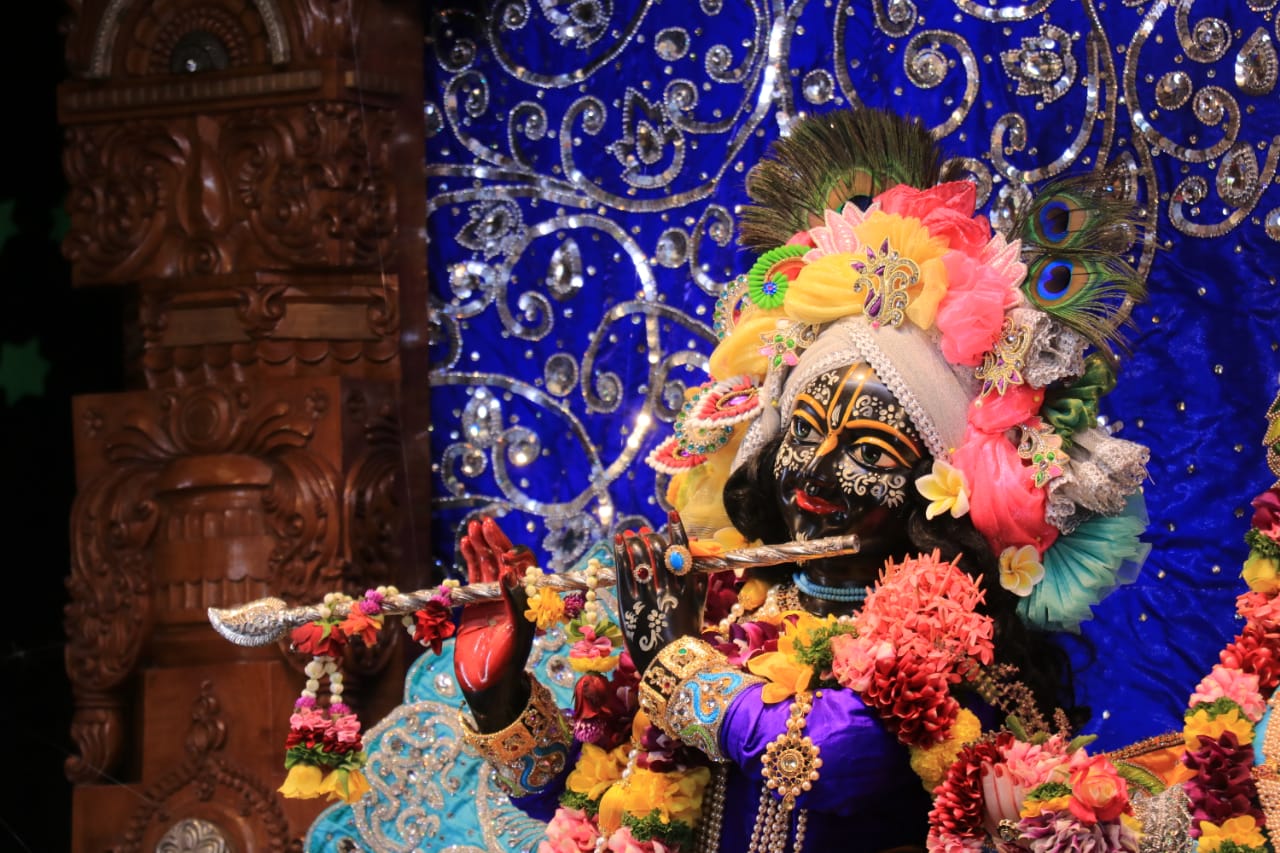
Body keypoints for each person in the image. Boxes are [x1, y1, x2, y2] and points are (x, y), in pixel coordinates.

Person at [450, 108, 1152, 853]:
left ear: (938, 487)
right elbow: (596, 797)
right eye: (806, 430)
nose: (817, 468)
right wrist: (499, 697)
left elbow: (825, 758)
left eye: (870, 451)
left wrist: (671, 657)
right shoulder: (727, 613)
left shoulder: (950, 646)